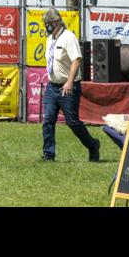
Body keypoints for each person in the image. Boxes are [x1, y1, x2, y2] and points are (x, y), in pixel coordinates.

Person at [40, 9, 101, 162]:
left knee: (73, 122)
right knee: (48, 120)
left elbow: (77, 60)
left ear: (56, 22)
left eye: (48, 23)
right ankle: (48, 154)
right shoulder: (50, 39)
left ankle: (93, 145)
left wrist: (69, 81)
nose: (46, 26)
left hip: (68, 87)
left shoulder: (69, 37)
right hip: (52, 87)